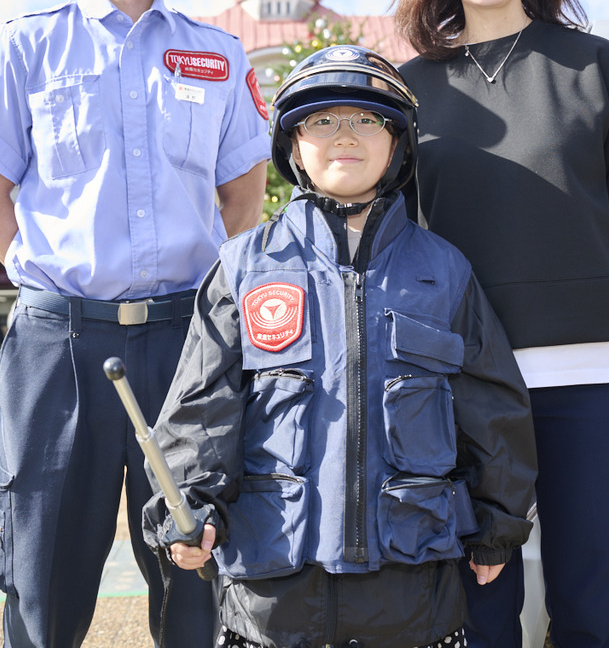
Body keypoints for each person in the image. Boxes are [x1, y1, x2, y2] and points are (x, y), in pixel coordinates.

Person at [0, 0, 270, 648]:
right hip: (58, 344)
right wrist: (42, 276)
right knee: (44, 570)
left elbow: (243, 192)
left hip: (186, 346)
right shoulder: (24, 45)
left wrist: (204, 303)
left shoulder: (217, 52)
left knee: (195, 566)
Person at [141, 45, 537, 648]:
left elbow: (492, 401)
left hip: (414, 595)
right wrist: (188, 508)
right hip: (274, 597)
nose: (344, 135)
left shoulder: (445, 270)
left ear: (397, 143)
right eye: (322, 120)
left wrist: (500, 521)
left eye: (366, 119)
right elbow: (202, 405)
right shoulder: (244, 267)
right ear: (293, 145)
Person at [393, 0, 609, 648]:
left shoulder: (596, 65)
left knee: (590, 592)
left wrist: (578, 307)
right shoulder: (409, 90)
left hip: (592, 373)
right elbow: (403, 236)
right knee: (478, 605)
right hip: (459, 381)